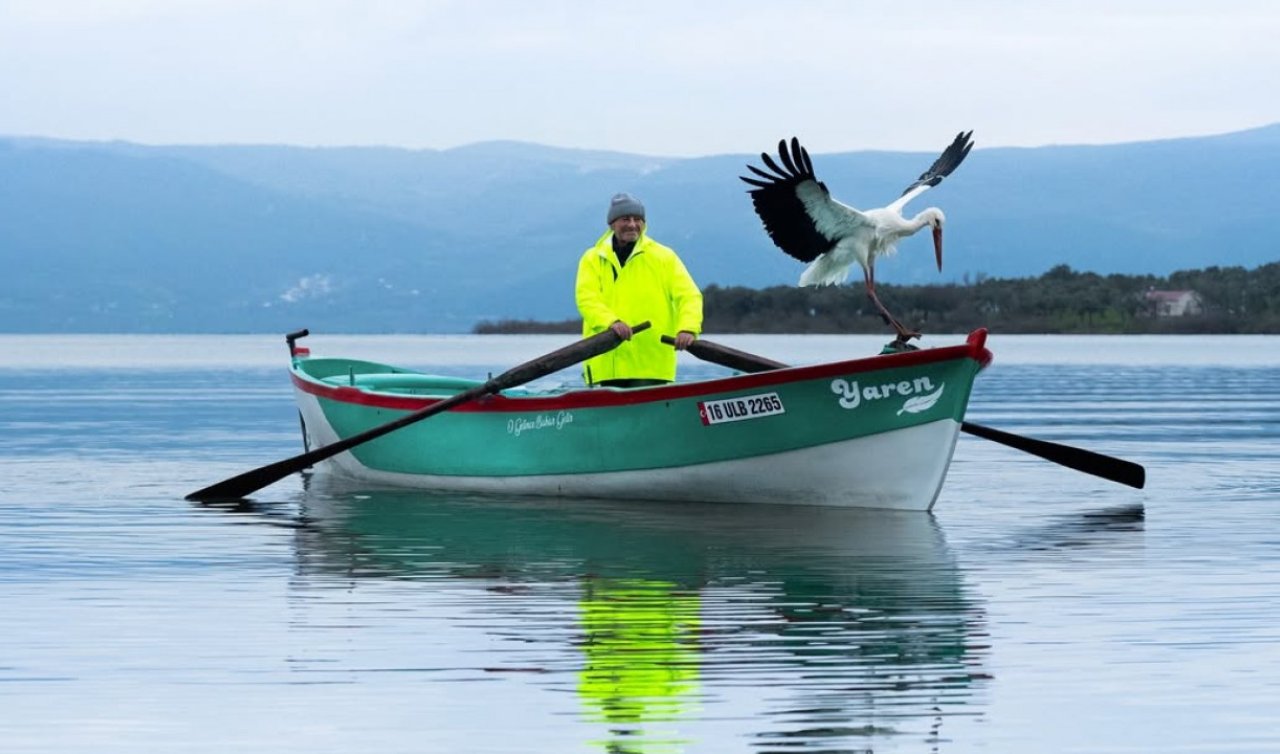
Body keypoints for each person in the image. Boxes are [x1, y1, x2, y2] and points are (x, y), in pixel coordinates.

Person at [575, 192, 703, 387]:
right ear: (612, 224)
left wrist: (688, 328)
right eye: (626, 219)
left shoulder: (664, 257)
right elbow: (587, 298)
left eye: (638, 219)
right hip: (605, 362)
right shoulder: (592, 258)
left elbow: (689, 296)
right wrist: (611, 322)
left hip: (651, 363)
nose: (633, 225)